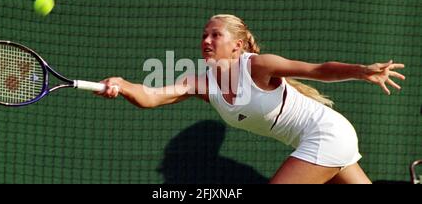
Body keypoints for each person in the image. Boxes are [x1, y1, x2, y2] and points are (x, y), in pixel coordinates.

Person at [96, 14, 405, 184]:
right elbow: (150, 96)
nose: (206, 40)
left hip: (327, 134)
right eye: (204, 34)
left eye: (215, 35)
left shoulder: (258, 66)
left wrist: (361, 71)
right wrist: (122, 85)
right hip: (320, 139)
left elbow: (317, 70)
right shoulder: (201, 83)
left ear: (238, 45)